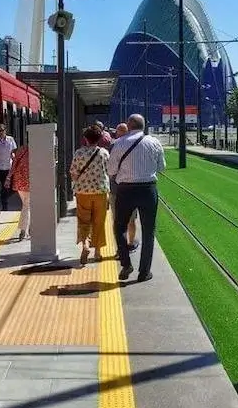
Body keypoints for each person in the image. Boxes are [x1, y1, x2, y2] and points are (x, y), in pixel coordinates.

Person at [108, 114, 166, 282]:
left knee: (119, 228)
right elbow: (162, 167)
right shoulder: (154, 142)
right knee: (148, 231)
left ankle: (126, 264)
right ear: (144, 125)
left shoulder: (118, 143)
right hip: (148, 189)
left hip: (125, 190)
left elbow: (111, 171)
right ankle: (144, 272)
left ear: (129, 125)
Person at [70, 126, 110, 265]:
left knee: (83, 220)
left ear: (85, 138)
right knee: (99, 221)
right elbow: (109, 171)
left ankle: (86, 245)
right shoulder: (104, 153)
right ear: (99, 139)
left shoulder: (79, 153)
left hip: (83, 192)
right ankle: (98, 252)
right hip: (101, 192)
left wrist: (79, 182)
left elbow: (74, 173)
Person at [110, 123, 138, 251]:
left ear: (116, 133)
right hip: (131, 188)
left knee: (117, 220)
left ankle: (119, 248)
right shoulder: (135, 145)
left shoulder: (112, 146)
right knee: (131, 219)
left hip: (116, 189)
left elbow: (109, 169)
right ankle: (131, 243)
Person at [6, 144, 30, 240]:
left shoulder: (22, 149)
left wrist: (8, 177)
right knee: (27, 206)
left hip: (19, 181)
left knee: (26, 205)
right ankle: (23, 231)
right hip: (30, 182)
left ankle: (26, 229)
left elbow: (14, 163)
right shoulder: (39, 151)